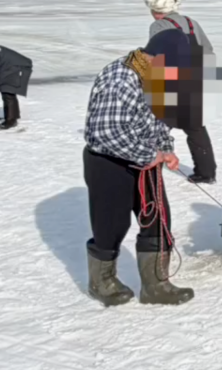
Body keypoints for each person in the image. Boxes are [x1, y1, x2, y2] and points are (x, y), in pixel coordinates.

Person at [81, 29, 197, 307]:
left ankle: (156, 286)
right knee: (111, 226)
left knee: (158, 221)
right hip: (108, 162)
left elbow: (158, 119)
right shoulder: (119, 79)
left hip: (145, 161)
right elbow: (107, 132)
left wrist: (165, 149)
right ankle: (102, 283)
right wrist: (149, 153)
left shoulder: (157, 75)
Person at [144, 0, 218, 184]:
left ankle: (145, 164)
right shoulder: (191, 22)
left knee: (156, 125)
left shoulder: (159, 26)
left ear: (154, 9)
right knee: (195, 128)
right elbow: (208, 50)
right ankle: (207, 173)